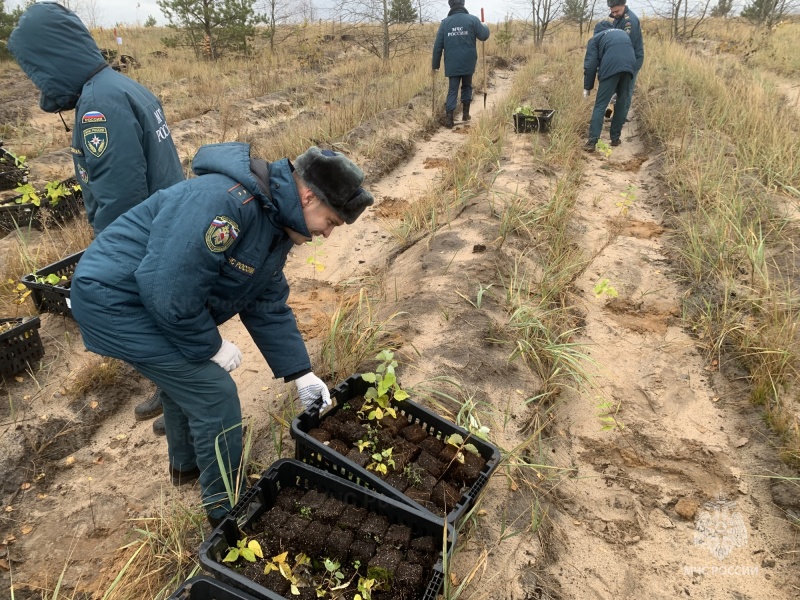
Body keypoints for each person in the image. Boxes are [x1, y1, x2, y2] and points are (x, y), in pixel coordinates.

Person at [69, 142, 374, 525]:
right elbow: (167, 288)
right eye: (330, 221)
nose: (327, 234)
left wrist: (301, 372)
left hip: (146, 298)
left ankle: (187, 467)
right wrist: (209, 345)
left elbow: (266, 302)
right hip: (115, 301)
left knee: (188, 380)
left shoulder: (274, 222)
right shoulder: (225, 205)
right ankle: (224, 510)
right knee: (214, 393)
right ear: (308, 196)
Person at [8, 2, 184, 433]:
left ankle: (182, 398)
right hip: (166, 218)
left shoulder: (97, 107)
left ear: (51, 58)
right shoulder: (121, 86)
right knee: (171, 309)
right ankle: (177, 393)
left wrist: (110, 253)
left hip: (144, 232)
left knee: (155, 314)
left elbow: (120, 192)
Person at [432, 0, 490, 129]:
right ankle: (465, 114)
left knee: (452, 89)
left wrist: (435, 65)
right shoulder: (473, 20)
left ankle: (449, 119)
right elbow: (484, 36)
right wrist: (484, 26)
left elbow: (437, 47)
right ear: (463, 4)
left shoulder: (445, 23)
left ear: (450, 5)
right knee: (467, 86)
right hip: (468, 61)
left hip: (452, 62)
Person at [583, 20, 637, 151]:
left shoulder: (596, 39)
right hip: (630, 67)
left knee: (600, 105)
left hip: (611, 67)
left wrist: (587, 87)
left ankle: (592, 142)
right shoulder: (623, 33)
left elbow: (590, 65)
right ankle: (615, 138)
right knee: (621, 102)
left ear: (596, 31)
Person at [608, 0, 644, 91]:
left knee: (625, 92)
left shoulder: (629, 21)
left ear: (623, 5)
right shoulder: (618, 18)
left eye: (617, 11)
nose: (614, 14)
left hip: (631, 60)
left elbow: (626, 46)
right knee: (619, 89)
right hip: (621, 59)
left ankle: (623, 105)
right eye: (612, 12)